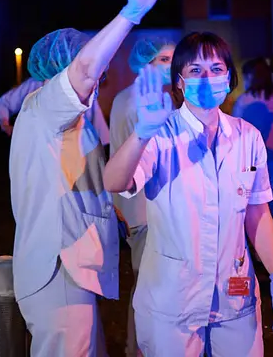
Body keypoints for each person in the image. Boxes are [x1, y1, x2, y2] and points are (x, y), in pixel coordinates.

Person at [10, 0, 163, 356]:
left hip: (70, 271)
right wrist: (129, 15)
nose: (100, 78)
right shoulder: (45, 108)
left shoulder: (70, 123)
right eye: (99, 69)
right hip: (57, 270)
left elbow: (106, 179)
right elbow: (82, 71)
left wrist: (143, 135)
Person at [103, 32, 273, 355]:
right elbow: (113, 181)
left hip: (234, 296)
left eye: (216, 69)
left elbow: (257, 213)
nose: (207, 78)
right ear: (178, 82)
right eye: (195, 70)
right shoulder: (160, 134)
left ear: (230, 77)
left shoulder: (248, 137)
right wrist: (142, 133)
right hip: (173, 301)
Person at [109, 35, 175, 357]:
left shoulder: (125, 96)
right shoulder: (143, 103)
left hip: (134, 209)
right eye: (164, 60)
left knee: (144, 285)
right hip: (146, 209)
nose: (172, 65)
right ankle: (139, 349)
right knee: (149, 289)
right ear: (145, 63)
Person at [233, 57, 273, 249]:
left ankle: (260, 247)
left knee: (256, 205)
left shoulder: (243, 101)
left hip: (252, 161)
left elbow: (235, 134)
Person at [0, 76, 110, 144]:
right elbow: (5, 103)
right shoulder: (36, 84)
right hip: (38, 154)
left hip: (75, 161)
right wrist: (5, 124)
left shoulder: (82, 90)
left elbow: (101, 135)